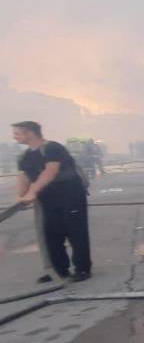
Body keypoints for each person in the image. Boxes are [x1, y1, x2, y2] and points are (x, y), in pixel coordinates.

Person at [12, 121, 92, 282]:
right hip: (48, 200)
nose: (14, 137)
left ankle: (82, 269)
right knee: (52, 235)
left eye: (17, 133)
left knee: (76, 232)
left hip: (70, 196)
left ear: (30, 133)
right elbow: (24, 176)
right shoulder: (24, 156)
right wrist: (21, 198)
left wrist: (32, 192)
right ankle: (59, 270)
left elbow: (51, 171)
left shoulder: (52, 148)